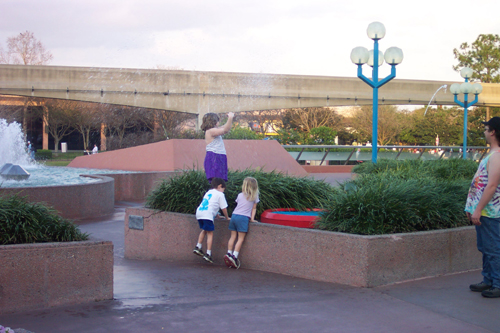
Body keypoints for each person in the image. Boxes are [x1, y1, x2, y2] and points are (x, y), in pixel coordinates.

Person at [465, 117, 500, 298]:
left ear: (493, 131)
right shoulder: (492, 155)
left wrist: (478, 209)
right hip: (484, 212)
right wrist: (472, 207)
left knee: (494, 249)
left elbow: (492, 186)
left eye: (486, 128)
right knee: (486, 248)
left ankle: (497, 283)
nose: (484, 131)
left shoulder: (497, 156)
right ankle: (488, 280)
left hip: (491, 213)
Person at [224, 177, 259, 269]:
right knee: (240, 239)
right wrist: (252, 219)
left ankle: (229, 253)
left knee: (232, 236)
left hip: (234, 215)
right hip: (243, 218)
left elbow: (238, 204)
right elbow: (254, 208)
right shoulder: (254, 196)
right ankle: (234, 257)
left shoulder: (240, 195)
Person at [194, 177, 230, 263]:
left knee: (205, 230)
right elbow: (224, 208)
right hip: (207, 215)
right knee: (210, 233)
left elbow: (211, 205)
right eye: (223, 189)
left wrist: (217, 215)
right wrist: (227, 217)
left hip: (199, 212)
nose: (223, 191)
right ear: (220, 186)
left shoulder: (208, 192)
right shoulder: (220, 194)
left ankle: (198, 246)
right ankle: (208, 254)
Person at [201, 112, 234, 183]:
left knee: (219, 182)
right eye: (218, 120)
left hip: (218, 156)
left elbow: (224, 127)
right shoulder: (210, 131)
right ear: (215, 122)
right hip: (215, 157)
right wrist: (230, 117)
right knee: (217, 182)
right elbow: (226, 130)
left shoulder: (212, 131)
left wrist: (229, 120)